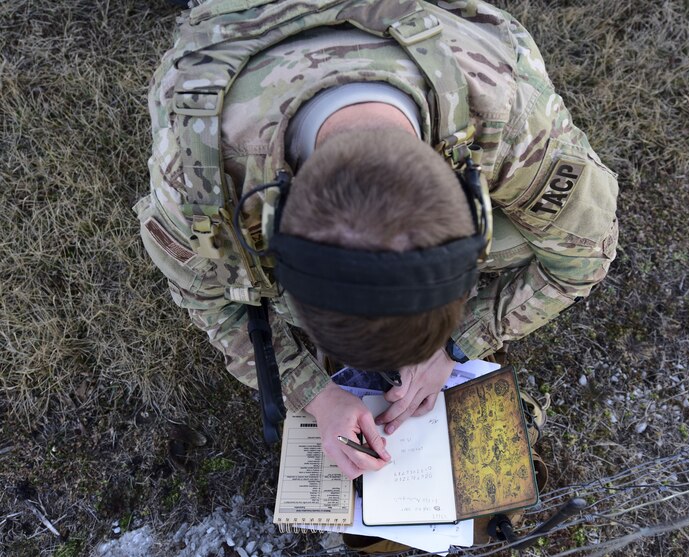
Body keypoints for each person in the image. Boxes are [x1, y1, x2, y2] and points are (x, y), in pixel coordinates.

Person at [137, 0, 618, 481]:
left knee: (550, 237)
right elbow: (209, 301)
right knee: (231, 274)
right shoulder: (198, 180)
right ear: (269, 230)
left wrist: (452, 347)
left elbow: (586, 255)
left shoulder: (506, 114)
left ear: (475, 207)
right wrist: (316, 396)